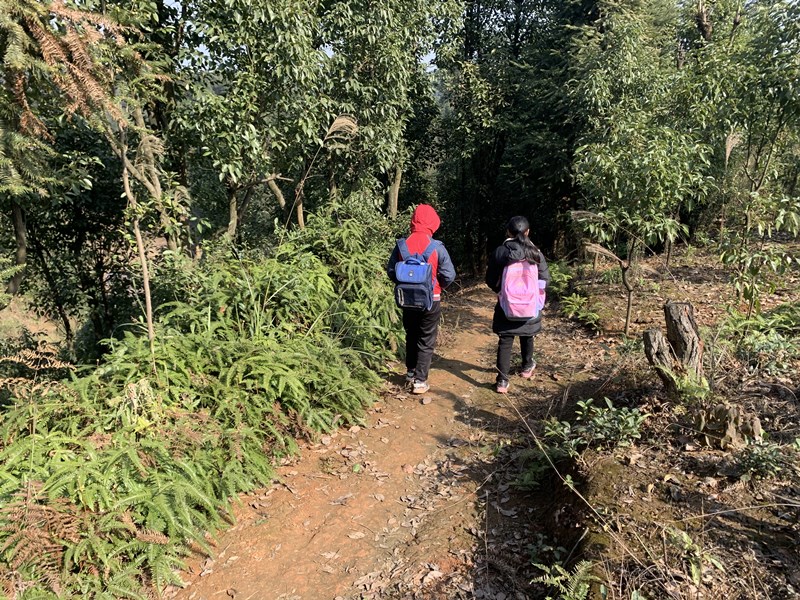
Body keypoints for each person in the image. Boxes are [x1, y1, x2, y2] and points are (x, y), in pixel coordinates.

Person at [387, 204, 456, 394]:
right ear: (433, 222)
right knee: (426, 339)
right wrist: (438, 286)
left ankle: (410, 372)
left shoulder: (401, 245)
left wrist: (405, 283)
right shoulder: (436, 247)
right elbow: (449, 275)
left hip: (406, 300)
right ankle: (420, 381)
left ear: (413, 220)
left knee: (411, 335)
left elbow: (391, 271)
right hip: (431, 300)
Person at [485, 216, 550, 394]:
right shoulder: (535, 252)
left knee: (505, 340)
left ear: (508, 232)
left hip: (506, 305)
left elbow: (490, 279)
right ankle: (527, 367)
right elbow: (545, 279)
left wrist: (502, 291)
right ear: (527, 232)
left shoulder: (500, 252)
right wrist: (533, 295)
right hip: (530, 304)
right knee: (527, 335)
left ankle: (502, 381)